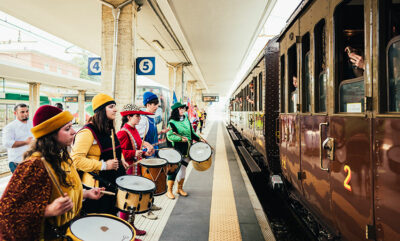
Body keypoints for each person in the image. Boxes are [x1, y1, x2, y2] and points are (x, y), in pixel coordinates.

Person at [0, 105, 104, 240]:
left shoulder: (63, 156)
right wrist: (48, 210)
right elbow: (7, 212)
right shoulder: (35, 165)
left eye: (71, 126)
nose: (73, 132)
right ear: (50, 135)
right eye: (67, 129)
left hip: (69, 231)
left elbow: (60, 192)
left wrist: (86, 194)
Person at [71, 93, 127, 215]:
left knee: (112, 217)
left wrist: (121, 160)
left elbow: (114, 149)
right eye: (111, 106)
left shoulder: (108, 128)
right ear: (101, 110)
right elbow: (76, 160)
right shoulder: (87, 132)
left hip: (112, 182)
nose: (115, 109)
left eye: (115, 106)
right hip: (97, 187)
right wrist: (104, 165)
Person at [117, 104, 153, 237]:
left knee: (134, 201)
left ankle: (131, 227)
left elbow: (137, 149)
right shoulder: (122, 132)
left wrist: (145, 153)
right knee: (127, 201)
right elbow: (119, 153)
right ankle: (123, 230)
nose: (139, 118)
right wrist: (134, 152)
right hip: (128, 171)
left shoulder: (134, 130)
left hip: (136, 169)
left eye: (139, 115)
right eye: (137, 115)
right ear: (128, 117)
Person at [136, 91, 169, 219]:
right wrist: (147, 146)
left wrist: (162, 132)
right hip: (146, 157)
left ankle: (150, 203)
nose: (157, 107)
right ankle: (145, 210)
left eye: (157, 105)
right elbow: (138, 138)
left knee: (151, 183)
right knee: (146, 183)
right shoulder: (143, 119)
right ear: (148, 104)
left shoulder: (151, 118)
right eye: (155, 104)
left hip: (152, 154)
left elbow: (152, 134)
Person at [166, 102, 206, 199]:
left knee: (183, 168)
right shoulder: (171, 122)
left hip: (187, 148)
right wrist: (180, 139)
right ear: (176, 110)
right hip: (177, 149)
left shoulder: (186, 119)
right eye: (180, 109)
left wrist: (199, 139)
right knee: (174, 169)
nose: (183, 110)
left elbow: (192, 133)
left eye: (183, 108)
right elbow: (169, 136)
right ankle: (169, 191)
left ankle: (179, 189)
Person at [1, 103, 33, 173]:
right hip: (16, 162)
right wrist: (25, 142)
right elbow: (7, 143)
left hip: (31, 160)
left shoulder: (32, 124)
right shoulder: (9, 127)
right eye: (22, 112)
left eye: (27, 111)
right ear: (15, 113)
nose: (25, 114)